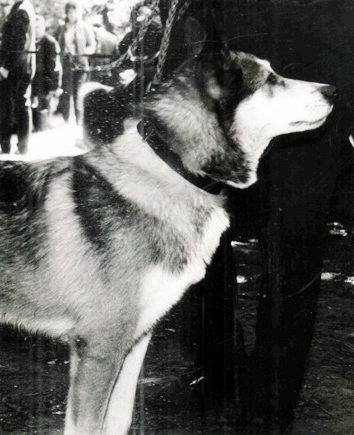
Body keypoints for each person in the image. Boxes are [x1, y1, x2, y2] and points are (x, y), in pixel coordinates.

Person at [147, 0, 354, 431]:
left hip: (316, 63)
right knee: (198, 229)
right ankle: (214, 371)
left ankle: (268, 411)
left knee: (292, 249)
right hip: (230, 44)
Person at [0, 0, 36, 155]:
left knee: (8, 107)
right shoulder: (25, 8)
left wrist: (5, 67)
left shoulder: (21, 11)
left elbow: (19, 43)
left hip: (14, 68)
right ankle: (21, 147)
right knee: (20, 106)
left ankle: (7, 148)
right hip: (23, 66)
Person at [57, 0, 95, 124]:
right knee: (66, 91)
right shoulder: (63, 27)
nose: (72, 15)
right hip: (66, 63)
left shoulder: (85, 27)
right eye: (69, 13)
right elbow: (60, 45)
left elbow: (92, 45)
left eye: (74, 12)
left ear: (78, 13)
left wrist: (82, 53)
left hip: (80, 63)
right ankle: (66, 119)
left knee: (78, 91)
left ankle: (79, 119)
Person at [31, 15, 60, 132]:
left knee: (43, 109)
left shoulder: (50, 42)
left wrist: (54, 85)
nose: (37, 30)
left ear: (43, 27)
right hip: (31, 79)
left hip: (44, 81)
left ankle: (43, 128)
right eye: (34, 27)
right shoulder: (29, 41)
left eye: (39, 27)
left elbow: (54, 65)